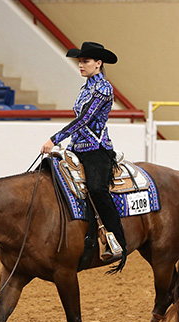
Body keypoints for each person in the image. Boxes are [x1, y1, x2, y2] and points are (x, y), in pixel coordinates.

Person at [40, 41, 126, 272]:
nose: (81, 65)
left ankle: (116, 239)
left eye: (85, 61)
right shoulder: (86, 87)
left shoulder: (104, 88)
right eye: (80, 61)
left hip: (97, 150)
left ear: (98, 64)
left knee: (97, 189)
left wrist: (54, 139)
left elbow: (84, 119)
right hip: (77, 148)